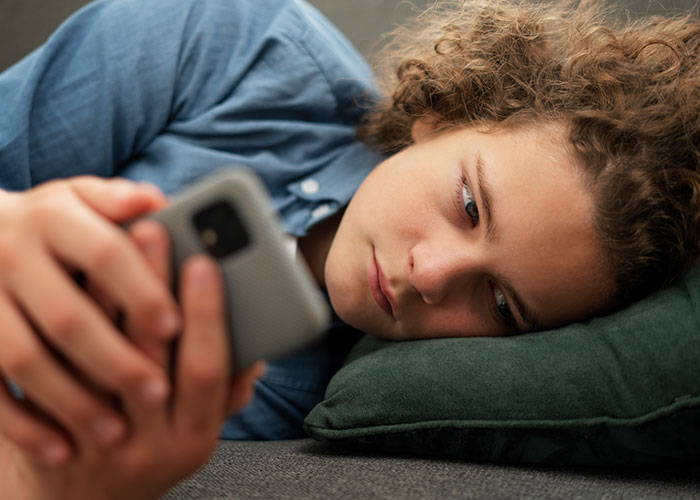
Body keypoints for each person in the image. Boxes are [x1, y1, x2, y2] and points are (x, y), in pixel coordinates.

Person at [1, 0, 699, 498]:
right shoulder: (238, 45)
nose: (431, 275)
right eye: (468, 206)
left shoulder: (336, 406)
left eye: (500, 303)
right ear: (447, 113)